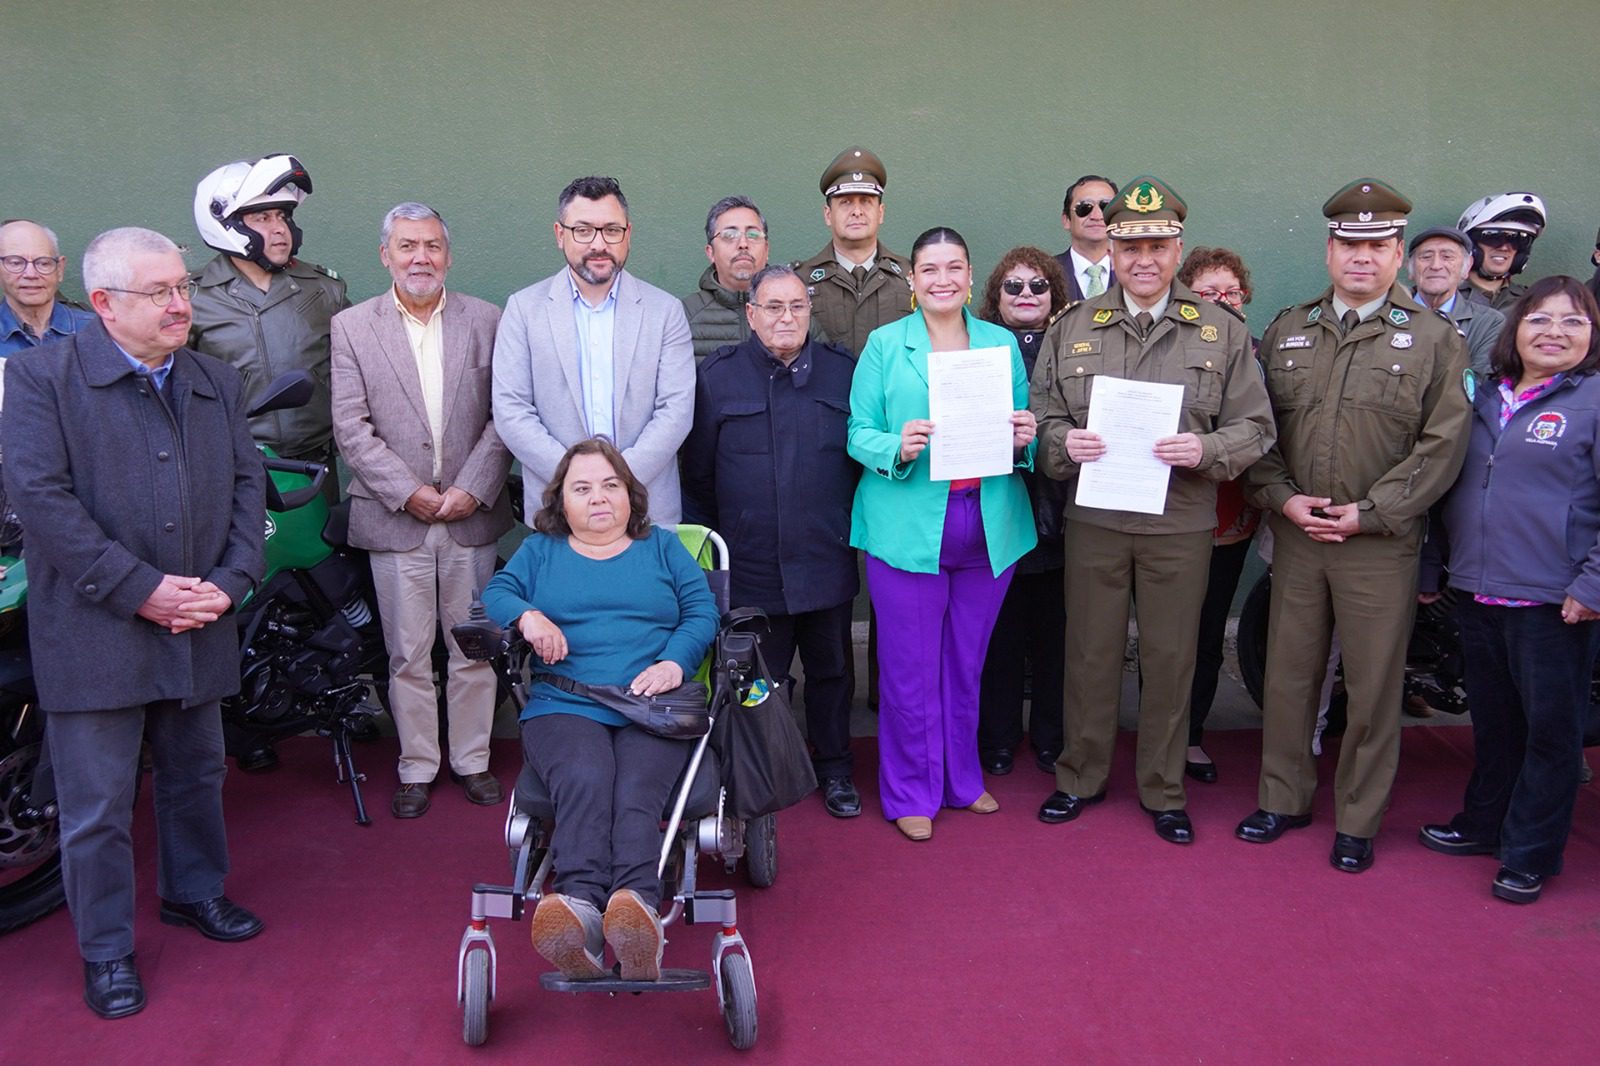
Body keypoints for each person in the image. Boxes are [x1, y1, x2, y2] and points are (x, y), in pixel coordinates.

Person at [1, 227, 267, 1018]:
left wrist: (230, 581)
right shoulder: (41, 378)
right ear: (107, 304)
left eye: (182, 286)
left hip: (199, 620)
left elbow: (249, 488)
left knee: (196, 774)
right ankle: (107, 952)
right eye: (161, 293)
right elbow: (43, 504)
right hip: (95, 628)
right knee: (97, 806)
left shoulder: (215, 379)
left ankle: (194, 892)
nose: (181, 303)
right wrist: (140, 590)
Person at [1032, 180, 1274, 846]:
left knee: (1170, 657)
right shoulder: (1072, 328)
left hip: (1180, 519)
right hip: (1097, 518)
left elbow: (1256, 429)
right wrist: (1062, 442)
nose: (1144, 258)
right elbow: (1044, 421)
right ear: (1110, 246)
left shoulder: (1221, 332)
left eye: (1157, 245)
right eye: (1131, 244)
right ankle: (1079, 775)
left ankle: (1163, 787)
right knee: (1089, 653)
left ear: (1178, 249)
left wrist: (1206, 447)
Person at [1240, 179, 1472, 873]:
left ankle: (1361, 819)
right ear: (1329, 249)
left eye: (1377, 246)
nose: (1361, 258)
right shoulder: (1289, 329)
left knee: (1372, 686)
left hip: (1380, 544)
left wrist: (1371, 513)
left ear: (1398, 253)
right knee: (1289, 675)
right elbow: (1261, 431)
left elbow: (1443, 446)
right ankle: (1284, 797)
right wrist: (1280, 498)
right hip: (1299, 533)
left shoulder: (1434, 340)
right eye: (1349, 244)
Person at [481, 438, 718, 980]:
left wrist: (675, 663)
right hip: (566, 701)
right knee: (586, 777)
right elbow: (495, 593)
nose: (598, 498)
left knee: (636, 788)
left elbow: (701, 611)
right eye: (582, 488)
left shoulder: (660, 547)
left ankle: (634, 913)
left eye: (610, 485)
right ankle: (582, 909)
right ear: (560, 501)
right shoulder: (541, 550)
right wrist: (528, 617)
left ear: (630, 495)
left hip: (651, 700)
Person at [847, 226, 1038, 841]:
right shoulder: (884, 345)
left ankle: (962, 779)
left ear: (970, 274)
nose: (942, 279)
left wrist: (1023, 437)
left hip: (988, 523)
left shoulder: (1000, 343)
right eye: (929, 269)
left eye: (954, 267)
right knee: (909, 668)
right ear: (912, 279)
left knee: (966, 663)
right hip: (908, 521)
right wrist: (894, 445)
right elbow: (856, 431)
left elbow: (1022, 429)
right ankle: (911, 790)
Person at [1416, 277, 1600, 904]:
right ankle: (1483, 823)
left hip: (1556, 600)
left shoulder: (1594, 400)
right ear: (1515, 330)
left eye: (1572, 322)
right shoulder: (1485, 398)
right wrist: (1434, 568)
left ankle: (1530, 851)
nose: (1554, 332)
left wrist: (1593, 584)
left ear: (1592, 334)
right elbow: (1449, 489)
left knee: (1551, 733)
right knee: (1494, 724)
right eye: (1539, 319)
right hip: (1476, 589)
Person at [330, 202, 513, 819]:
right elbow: (350, 428)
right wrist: (409, 492)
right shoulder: (353, 327)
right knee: (407, 653)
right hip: (395, 517)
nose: (420, 257)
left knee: (473, 647)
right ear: (386, 255)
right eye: (407, 246)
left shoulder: (487, 320)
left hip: (470, 512)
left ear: (448, 254)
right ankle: (416, 765)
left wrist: (472, 486)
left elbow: (504, 415)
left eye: (432, 245)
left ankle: (473, 760)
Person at [680, 265, 862, 817]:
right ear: (751, 315)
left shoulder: (842, 374)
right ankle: (763, 771)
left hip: (824, 554)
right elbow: (698, 476)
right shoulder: (717, 378)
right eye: (774, 307)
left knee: (832, 673)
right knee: (760, 681)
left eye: (797, 307)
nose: (787, 317)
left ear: (810, 312)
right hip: (753, 563)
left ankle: (834, 770)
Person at [493, 176, 694, 525]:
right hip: (557, 505)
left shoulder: (665, 311)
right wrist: (577, 480)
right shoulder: (524, 310)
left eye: (611, 230)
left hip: (646, 505)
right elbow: (511, 410)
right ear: (560, 235)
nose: (599, 243)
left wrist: (619, 480)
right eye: (583, 230)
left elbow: (676, 410)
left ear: (628, 234)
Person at [974, 246, 1071, 776]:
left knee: (1056, 637)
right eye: (1013, 286)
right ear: (996, 296)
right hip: (1000, 509)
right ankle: (999, 737)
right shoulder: (980, 348)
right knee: (1001, 637)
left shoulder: (1070, 347)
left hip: (1060, 510)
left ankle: (1052, 736)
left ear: (1054, 294)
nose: (1026, 295)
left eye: (1038, 285)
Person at [189, 154, 349, 464]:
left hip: (314, 463)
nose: (280, 229)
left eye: (282, 215)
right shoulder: (193, 298)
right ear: (226, 222)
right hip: (231, 462)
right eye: (262, 218)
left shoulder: (324, 288)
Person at [1175, 245, 1263, 784]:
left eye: (1231, 292)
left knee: (1206, 632)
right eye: (1208, 293)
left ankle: (1189, 736)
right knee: (1165, 633)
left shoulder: (1260, 353)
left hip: (1228, 520)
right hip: (1167, 511)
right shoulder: (1172, 348)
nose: (1221, 301)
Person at [794, 147, 914, 357]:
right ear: (828, 215)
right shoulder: (800, 280)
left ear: (881, 212)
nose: (857, 211)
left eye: (866, 201)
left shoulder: (910, 276)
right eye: (846, 202)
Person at [1406, 226, 1506, 375]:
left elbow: (1478, 383)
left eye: (1447, 257)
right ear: (1411, 267)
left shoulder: (1489, 323)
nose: (1436, 265)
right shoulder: (1386, 313)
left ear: (1466, 267)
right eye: (1426, 257)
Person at [0, 219, 96, 358]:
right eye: (16, 263)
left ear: (60, 269)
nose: (31, 274)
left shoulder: (98, 332)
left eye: (43, 263)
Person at [1457, 192, 1547, 310]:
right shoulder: (1446, 296)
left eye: (1517, 239)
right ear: (1470, 244)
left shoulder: (1533, 301)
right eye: (1492, 237)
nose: (1504, 247)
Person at [1052, 174, 1118, 301]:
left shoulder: (1135, 272)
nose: (1097, 215)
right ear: (1066, 220)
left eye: (1106, 207)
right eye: (1084, 207)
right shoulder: (1045, 273)